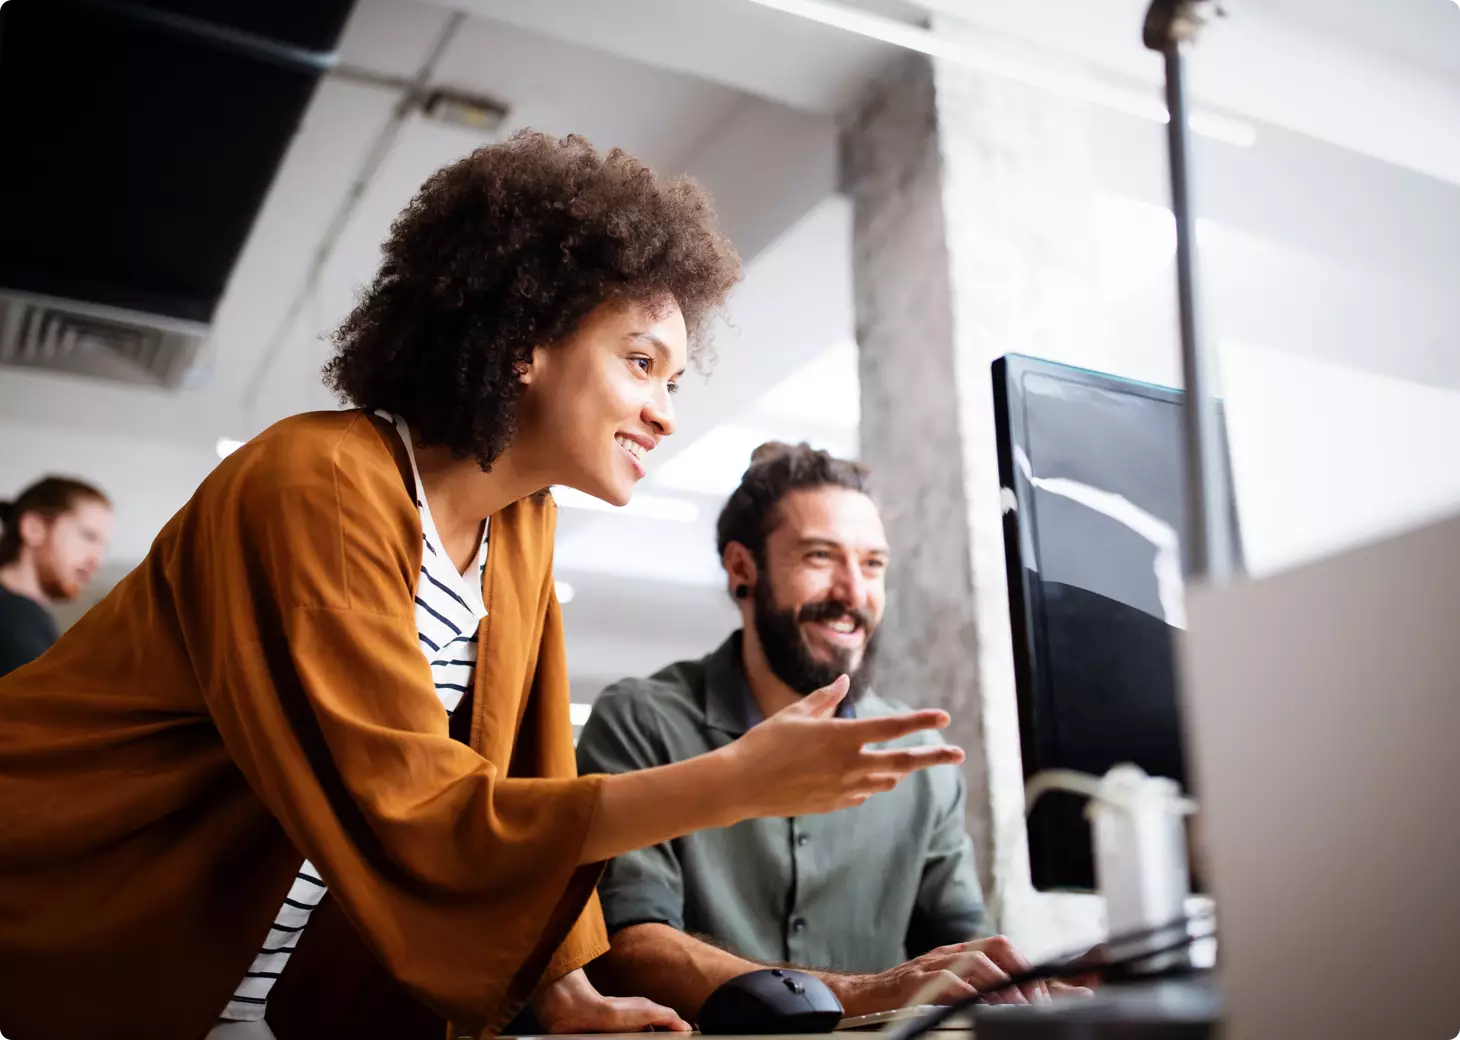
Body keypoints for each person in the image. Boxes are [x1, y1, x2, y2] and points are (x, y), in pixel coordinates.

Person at [0, 132, 966, 1040]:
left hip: (234, 984)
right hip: (59, 926)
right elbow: (412, 805)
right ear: (526, 341)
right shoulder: (316, 483)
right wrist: (732, 783)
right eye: (641, 363)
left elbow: (527, 773)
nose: (664, 414)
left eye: (674, 380)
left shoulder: (521, 526)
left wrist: (571, 996)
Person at [578, 443, 1088, 1021]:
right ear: (742, 569)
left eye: (872, 564)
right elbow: (626, 946)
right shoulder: (643, 722)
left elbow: (965, 952)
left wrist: (1051, 987)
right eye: (821, 557)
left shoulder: (921, 759)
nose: (853, 594)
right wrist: (859, 994)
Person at [0, 476, 112, 677]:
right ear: (33, 528)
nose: (97, 560)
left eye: (102, 546)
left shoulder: (27, 619)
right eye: (88, 536)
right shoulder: (14, 620)